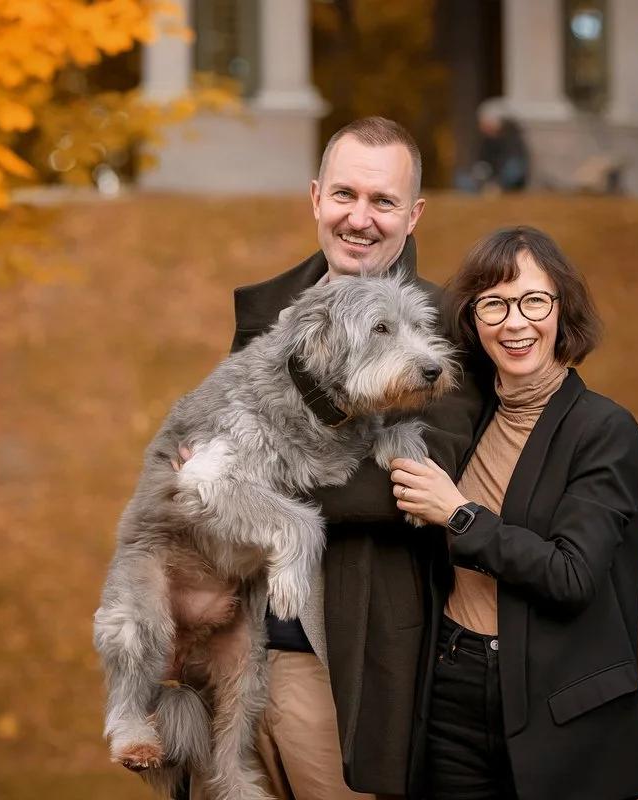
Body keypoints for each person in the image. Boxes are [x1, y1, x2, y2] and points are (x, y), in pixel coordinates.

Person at [173, 117, 481, 800]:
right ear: (316, 197)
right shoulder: (270, 311)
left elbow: (414, 477)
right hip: (230, 650)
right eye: (345, 195)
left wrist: (237, 474)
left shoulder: (443, 325)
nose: (360, 219)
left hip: (339, 656)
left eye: (383, 201)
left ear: (414, 214)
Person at [388, 226, 638, 800]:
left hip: (557, 703)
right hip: (452, 689)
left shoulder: (603, 430)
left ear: (562, 310)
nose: (515, 322)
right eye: (493, 304)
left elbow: (571, 576)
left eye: (534, 300)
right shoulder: (462, 416)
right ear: (473, 320)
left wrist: (460, 516)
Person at [455, 99, 530, 195]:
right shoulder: (485, 139)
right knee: (462, 178)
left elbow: (514, 168)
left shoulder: (511, 138)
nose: (480, 126)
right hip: (489, 176)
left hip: (504, 177)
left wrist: (498, 183)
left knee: (513, 168)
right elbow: (481, 161)